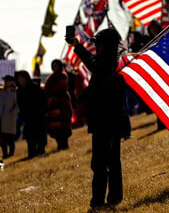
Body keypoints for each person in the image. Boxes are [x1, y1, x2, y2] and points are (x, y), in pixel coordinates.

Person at [67, 28, 130, 209]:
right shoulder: (108, 61)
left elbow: (96, 70)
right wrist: (77, 46)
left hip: (108, 121)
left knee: (102, 163)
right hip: (104, 121)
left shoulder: (111, 63)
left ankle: (100, 201)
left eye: (100, 44)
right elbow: (94, 66)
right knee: (109, 162)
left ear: (108, 45)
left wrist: (87, 94)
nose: (97, 47)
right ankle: (112, 198)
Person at [15, 70, 47, 158]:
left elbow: (42, 101)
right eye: (19, 78)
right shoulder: (19, 91)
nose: (21, 80)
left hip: (38, 116)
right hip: (27, 118)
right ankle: (31, 153)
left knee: (39, 135)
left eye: (22, 78)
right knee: (30, 137)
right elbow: (20, 104)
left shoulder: (35, 87)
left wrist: (42, 113)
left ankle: (41, 150)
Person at [44, 59, 73, 150]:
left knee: (64, 124)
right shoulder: (50, 78)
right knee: (55, 127)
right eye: (54, 66)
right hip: (53, 105)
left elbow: (61, 87)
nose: (55, 68)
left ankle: (65, 144)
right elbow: (46, 89)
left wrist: (52, 92)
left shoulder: (63, 76)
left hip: (63, 103)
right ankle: (59, 144)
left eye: (57, 65)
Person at [0, 75, 19, 159]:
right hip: (0, 119)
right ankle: (5, 154)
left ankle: (11, 153)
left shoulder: (14, 93)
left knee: (10, 138)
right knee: (2, 138)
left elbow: (18, 106)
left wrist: (12, 113)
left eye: (7, 81)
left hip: (9, 119)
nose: (6, 82)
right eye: (5, 81)